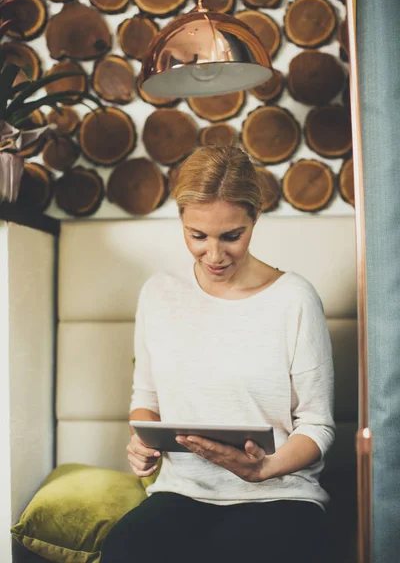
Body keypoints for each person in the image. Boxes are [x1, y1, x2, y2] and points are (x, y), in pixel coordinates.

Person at [100, 145, 335, 563]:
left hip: (280, 495)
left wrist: (264, 468)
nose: (214, 255)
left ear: (255, 218)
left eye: (231, 236)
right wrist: (142, 442)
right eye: (198, 236)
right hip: (183, 492)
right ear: (181, 221)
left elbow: (317, 426)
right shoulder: (159, 293)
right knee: (124, 549)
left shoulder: (294, 298)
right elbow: (146, 401)